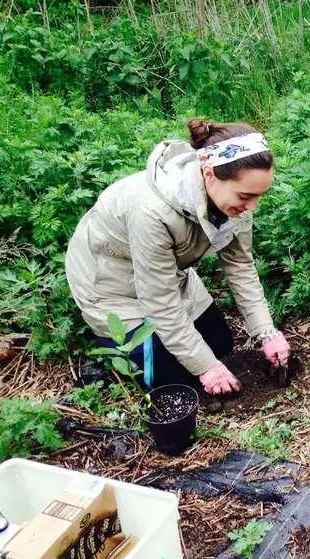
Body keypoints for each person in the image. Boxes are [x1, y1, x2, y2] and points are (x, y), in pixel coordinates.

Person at [65, 119, 290, 396]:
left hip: (166, 273)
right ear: (209, 174)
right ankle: (108, 346)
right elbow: (160, 303)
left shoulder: (235, 204)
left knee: (221, 346)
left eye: (259, 196)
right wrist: (206, 367)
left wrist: (266, 332)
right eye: (246, 195)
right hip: (111, 284)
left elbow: (240, 267)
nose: (251, 207)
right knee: (174, 385)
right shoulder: (151, 212)